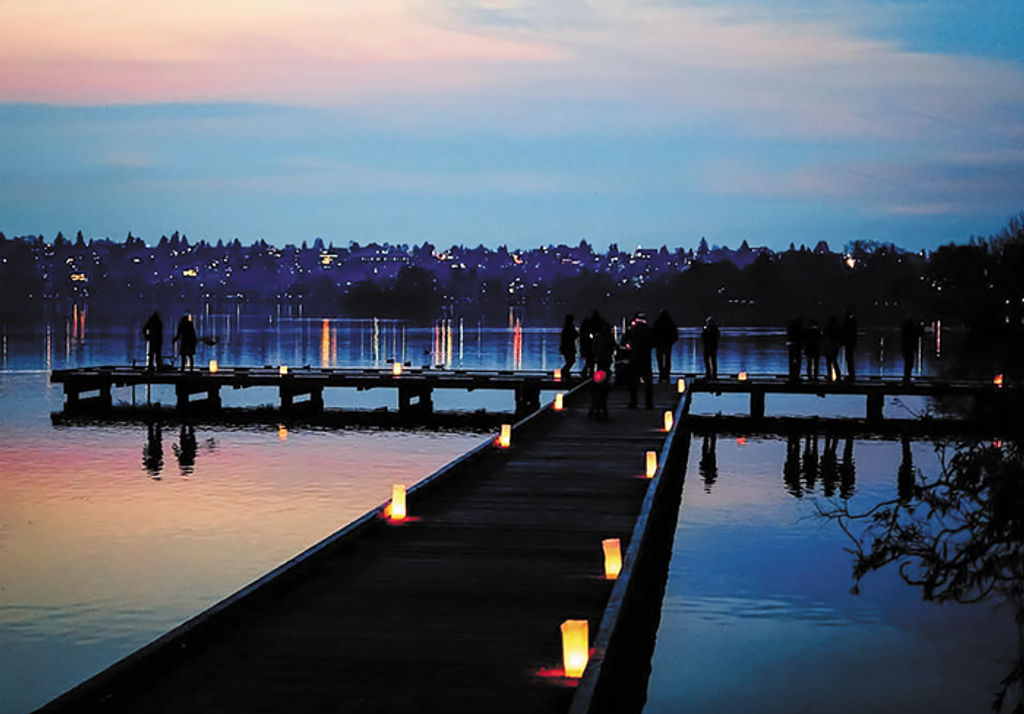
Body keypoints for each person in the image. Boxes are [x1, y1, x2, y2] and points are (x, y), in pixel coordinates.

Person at [623, 312, 654, 409]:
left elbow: (624, 341)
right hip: (646, 357)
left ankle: (633, 402)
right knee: (648, 382)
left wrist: (630, 347)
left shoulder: (632, 330)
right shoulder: (648, 331)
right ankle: (648, 403)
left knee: (633, 381)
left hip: (634, 357)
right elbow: (654, 342)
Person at [652, 309, 679, 383]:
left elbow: (653, 333)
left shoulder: (658, 322)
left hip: (660, 344)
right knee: (667, 360)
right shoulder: (670, 322)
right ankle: (667, 375)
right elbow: (675, 333)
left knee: (660, 360)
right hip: (667, 344)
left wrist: (654, 343)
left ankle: (662, 375)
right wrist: (671, 342)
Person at [900, 314, 923, 384]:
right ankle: (907, 378)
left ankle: (907, 378)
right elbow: (918, 334)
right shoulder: (910, 328)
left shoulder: (905, 328)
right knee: (909, 363)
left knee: (908, 363)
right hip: (909, 348)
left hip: (906, 348)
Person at [823, 315, 843, 382]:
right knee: (834, 361)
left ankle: (830, 376)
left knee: (829, 362)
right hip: (835, 346)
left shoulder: (828, 327)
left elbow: (825, 335)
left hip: (829, 346)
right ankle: (838, 376)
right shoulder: (838, 327)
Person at [559, 314, 577, 378]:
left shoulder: (566, 328)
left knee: (569, 360)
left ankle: (565, 372)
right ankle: (565, 371)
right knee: (571, 360)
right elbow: (575, 335)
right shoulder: (570, 328)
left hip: (567, 347)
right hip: (569, 347)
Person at [842, 307, 858, 381]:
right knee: (849, 358)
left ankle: (851, 374)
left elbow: (847, 333)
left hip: (849, 343)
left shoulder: (849, 322)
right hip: (850, 343)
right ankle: (851, 374)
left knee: (849, 358)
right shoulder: (852, 322)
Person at [786, 315, 803, 382]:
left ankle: (792, 374)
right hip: (796, 345)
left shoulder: (790, 328)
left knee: (792, 361)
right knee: (797, 361)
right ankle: (795, 375)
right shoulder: (798, 328)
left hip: (791, 345)